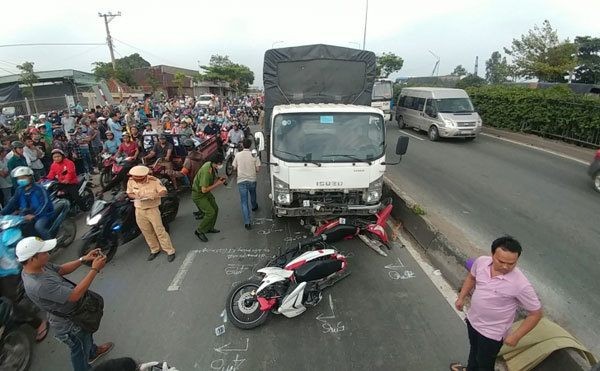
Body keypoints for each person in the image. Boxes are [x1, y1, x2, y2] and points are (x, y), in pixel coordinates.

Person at [17, 237, 113, 371]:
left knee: (86, 336)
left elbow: (61, 269)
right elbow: (75, 295)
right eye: (44, 253)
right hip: (69, 324)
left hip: (76, 314)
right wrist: (94, 270)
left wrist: (83, 259)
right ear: (32, 258)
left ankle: (92, 352)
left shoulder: (38, 267)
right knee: (79, 349)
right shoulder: (39, 284)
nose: (48, 254)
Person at [452, 236, 543, 371]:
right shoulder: (481, 262)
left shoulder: (521, 284)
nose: (506, 266)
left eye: (512, 263)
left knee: (484, 363)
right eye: (501, 261)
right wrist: (461, 297)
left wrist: (516, 336)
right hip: (473, 321)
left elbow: (536, 314)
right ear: (492, 254)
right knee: (474, 350)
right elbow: (472, 277)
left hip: (492, 333)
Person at [126, 166, 176, 262]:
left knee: (159, 230)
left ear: (144, 176)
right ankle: (154, 249)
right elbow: (129, 193)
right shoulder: (131, 181)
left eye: (139, 178)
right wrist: (136, 196)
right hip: (139, 210)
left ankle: (170, 250)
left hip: (152, 209)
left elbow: (164, 191)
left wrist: (156, 195)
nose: (137, 180)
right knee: (146, 231)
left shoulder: (154, 181)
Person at [1, 166, 54, 239]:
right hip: (25, 215)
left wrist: (35, 215)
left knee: (39, 227)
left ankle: (49, 244)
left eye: (23, 177)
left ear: (30, 177)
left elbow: (45, 204)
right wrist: (2, 213)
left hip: (42, 215)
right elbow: (12, 203)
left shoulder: (39, 189)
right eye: (19, 178)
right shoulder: (19, 190)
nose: (21, 180)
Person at [192, 153, 226, 242]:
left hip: (205, 194)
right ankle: (199, 231)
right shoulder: (206, 170)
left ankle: (209, 227)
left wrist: (218, 178)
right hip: (199, 194)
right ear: (216, 163)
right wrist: (218, 184)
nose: (221, 165)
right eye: (220, 163)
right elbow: (204, 190)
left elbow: (212, 178)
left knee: (215, 209)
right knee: (210, 212)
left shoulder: (211, 165)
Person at [232, 138, 260, 230]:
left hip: (241, 180)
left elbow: (234, 167)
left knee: (244, 202)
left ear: (243, 145)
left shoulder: (238, 155)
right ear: (250, 145)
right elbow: (258, 169)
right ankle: (254, 206)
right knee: (253, 194)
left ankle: (247, 222)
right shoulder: (254, 155)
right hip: (252, 179)